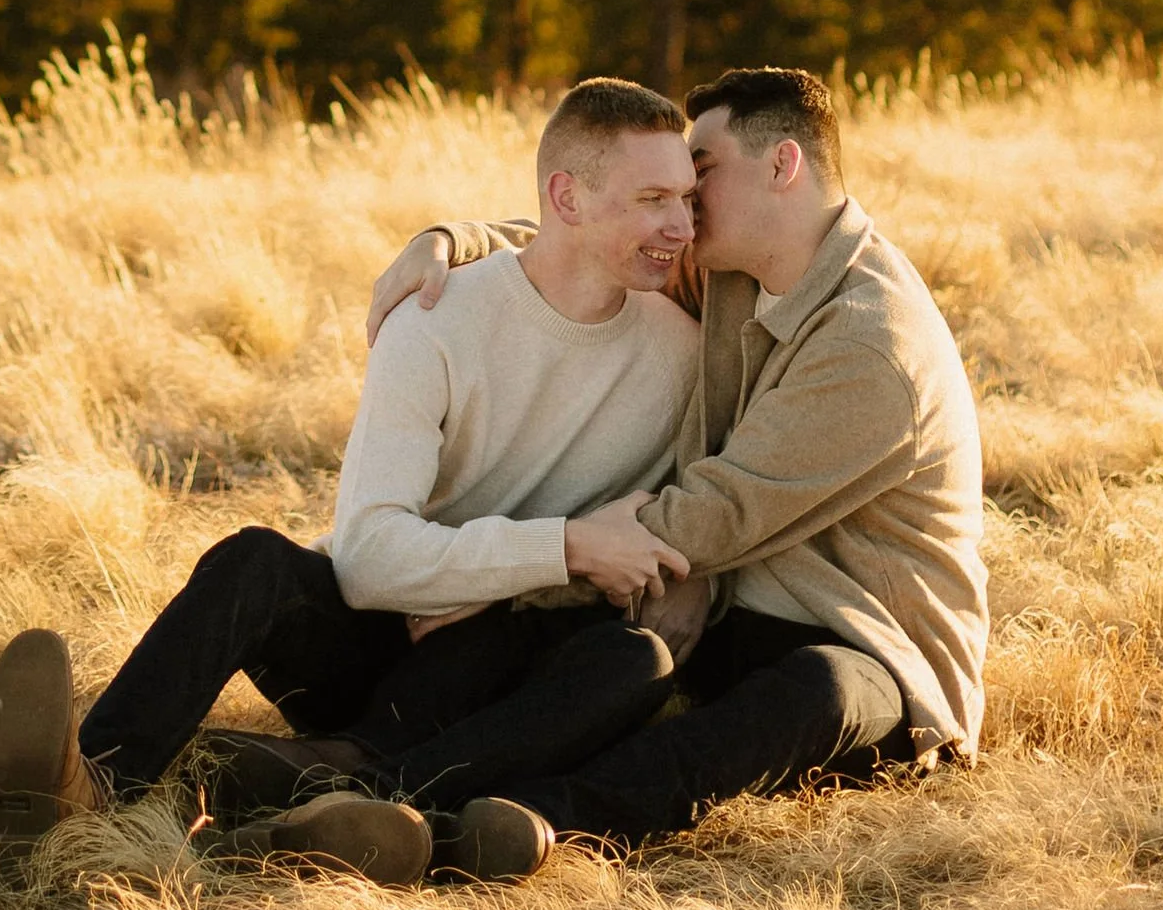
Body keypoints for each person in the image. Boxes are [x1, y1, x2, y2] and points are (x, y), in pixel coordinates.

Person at [0, 76, 705, 884]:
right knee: (252, 561)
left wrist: (548, 582)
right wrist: (564, 547)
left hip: (497, 673)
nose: (680, 224)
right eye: (653, 198)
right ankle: (88, 783)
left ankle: (338, 799)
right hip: (377, 640)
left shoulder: (682, 355)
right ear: (565, 196)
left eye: (687, 198)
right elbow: (367, 560)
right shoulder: (437, 318)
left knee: (632, 664)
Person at [344, 64, 987, 859]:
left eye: (701, 174)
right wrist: (450, 241)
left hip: (873, 652)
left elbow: (716, 515)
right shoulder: (733, 268)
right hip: (729, 613)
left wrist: (531, 567)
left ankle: (522, 825)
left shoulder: (874, 347)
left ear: (782, 166)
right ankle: (363, 794)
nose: (681, 203)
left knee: (808, 691)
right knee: (590, 648)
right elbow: (583, 235)